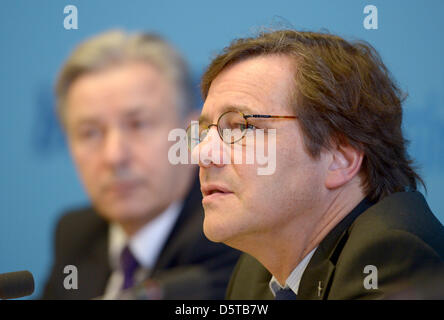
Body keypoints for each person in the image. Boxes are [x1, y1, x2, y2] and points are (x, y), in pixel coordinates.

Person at [189, 30, 444, 299]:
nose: (201, 153)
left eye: (241, 126)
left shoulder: (393, 257)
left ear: (339, 159)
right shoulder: (255, 273)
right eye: (205, 131)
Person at [42, 30, 240, 300]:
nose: (114, 156)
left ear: (193, 134)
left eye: (138, 125)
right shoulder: (76, 234)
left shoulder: (228, 235)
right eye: (90, 132)